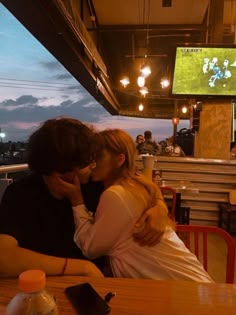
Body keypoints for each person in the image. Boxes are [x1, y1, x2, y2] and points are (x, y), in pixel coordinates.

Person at [0, 117, 169, 278]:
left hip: (95, 285)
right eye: (86, 162)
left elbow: (139, 181)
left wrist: (160, 207)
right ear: (60, 171)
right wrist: (81, 267)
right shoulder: (20, 193)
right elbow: (4, 258)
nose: (92, 166)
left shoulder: (95, 184)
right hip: (40, 287)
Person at [57, 128, 213, 282]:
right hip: (190, 281)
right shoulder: (134, 184)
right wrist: (160, 205)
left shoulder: (116, 194)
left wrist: (76, 201)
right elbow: (152, 189)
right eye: (91, 157)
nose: (92, 164)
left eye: (98, 157)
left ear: (119, 159)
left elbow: (90, 248)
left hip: (183, 289)